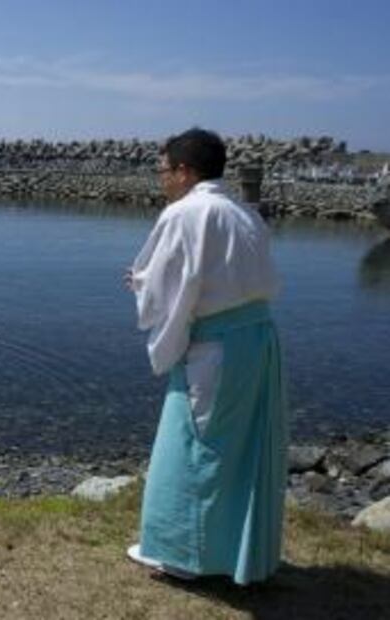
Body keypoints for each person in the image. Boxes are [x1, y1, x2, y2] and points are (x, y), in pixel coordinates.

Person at [125, 128, 286, 585]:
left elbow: (171, 288)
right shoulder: (243, 212)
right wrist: (149, 282)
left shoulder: (185, 213)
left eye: (163, 170)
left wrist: (142, 286)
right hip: (258, 339)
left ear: (184, 171)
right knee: (242, 449)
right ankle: (234, 550)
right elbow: (220, 276)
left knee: (194, 446)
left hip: (216, 345)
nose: (161, 179)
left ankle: (181, 554)